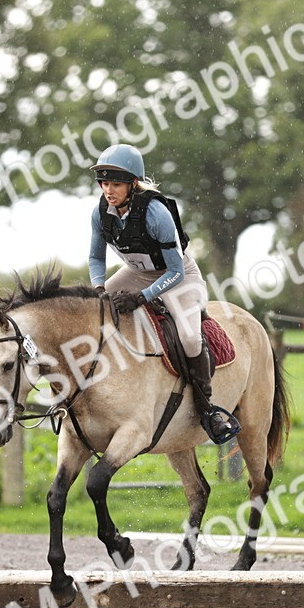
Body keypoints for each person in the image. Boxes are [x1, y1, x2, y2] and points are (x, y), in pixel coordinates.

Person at [88, 143, 240, 444]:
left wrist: (141, 297)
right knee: (93, 311)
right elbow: (96, 259)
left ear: (133, 183)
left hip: (178, 277)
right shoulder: (100, 214)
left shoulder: (156, 212)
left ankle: (206, 406)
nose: (108, 190)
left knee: (189, 336)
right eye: (104, 183)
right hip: (136, 273)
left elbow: (175, 272)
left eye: (115, 183)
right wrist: (99, 289)